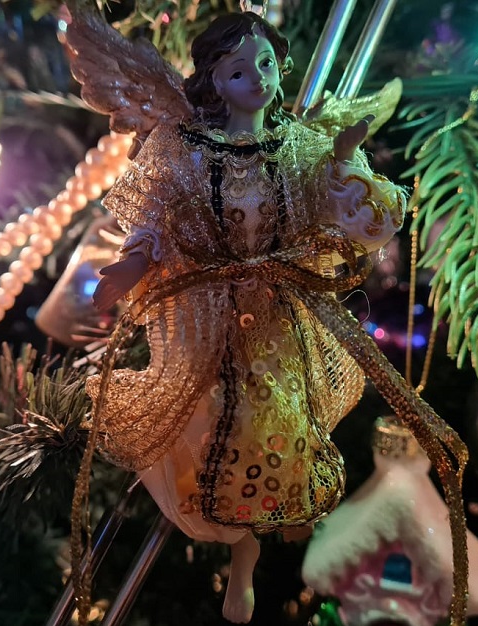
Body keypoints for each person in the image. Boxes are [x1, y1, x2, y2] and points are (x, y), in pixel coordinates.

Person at [69, 9, 406, 623]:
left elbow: (351, 220)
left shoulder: (299, 146)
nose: (258, 78)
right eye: (238, 70)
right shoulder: (185, 148)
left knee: (280, 417)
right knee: (215, 427)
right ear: (215, 82)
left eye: (267, 64)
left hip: (282, 318)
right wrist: (129, 266)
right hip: (210, 319)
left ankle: (273, 529)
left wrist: (343, 162)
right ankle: (242, 552)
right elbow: (156, 216)